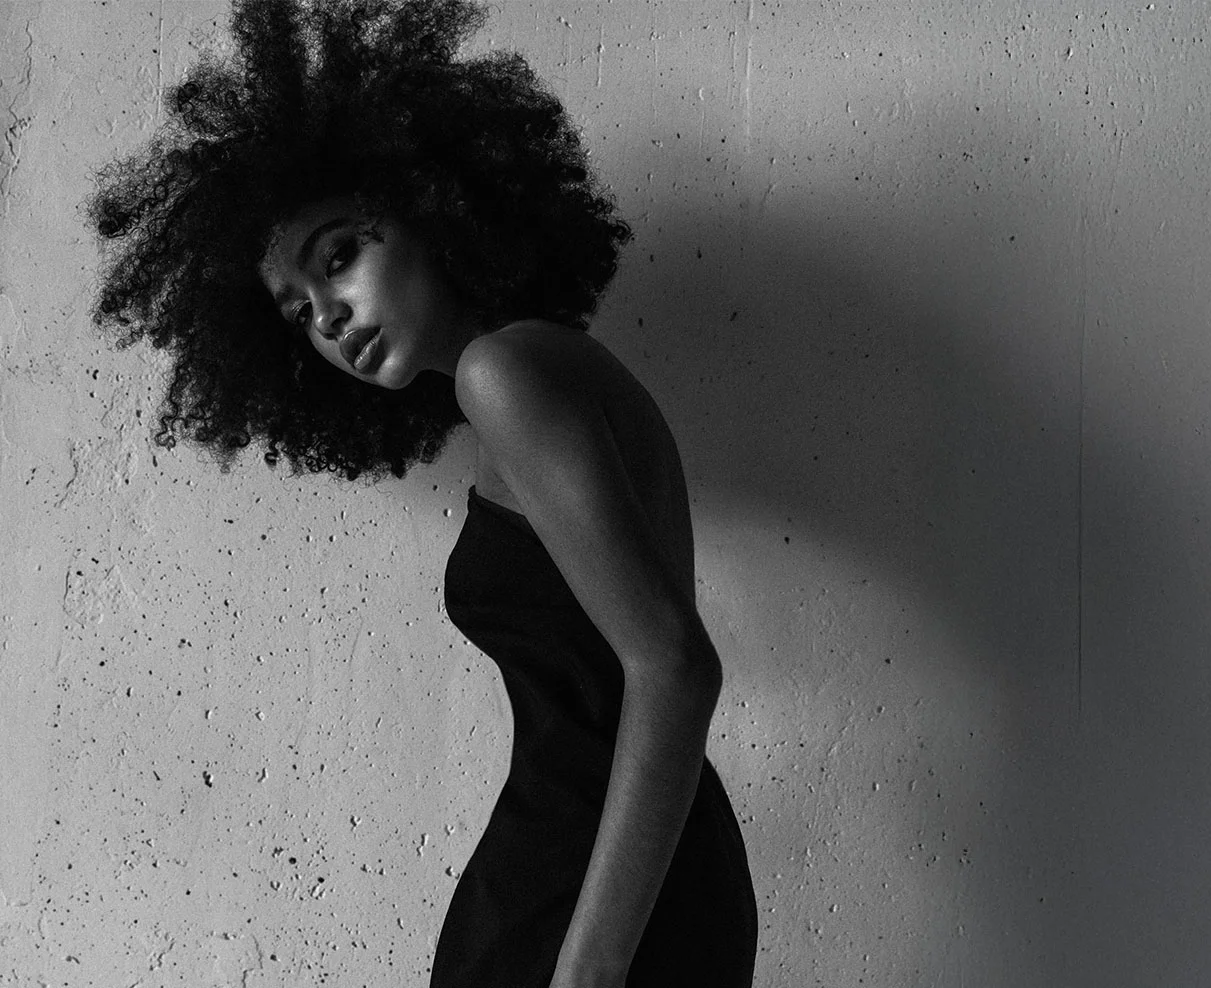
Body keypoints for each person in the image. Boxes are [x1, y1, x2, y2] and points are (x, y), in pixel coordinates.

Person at [87, 1, 758, 986]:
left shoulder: (506, 373)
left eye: (339, 256)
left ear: (432, 202)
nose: (330, 317)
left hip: (597, 902)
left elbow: (673, 668)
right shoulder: (535, 381)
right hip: (598, 874)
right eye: (300, 310)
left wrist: (590, 964)